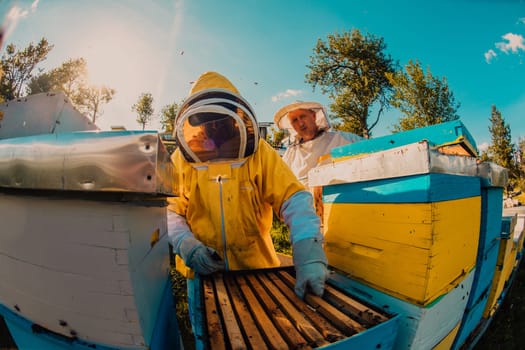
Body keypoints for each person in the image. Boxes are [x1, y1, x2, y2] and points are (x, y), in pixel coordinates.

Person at [167, 71, 328, 348]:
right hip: (202, 274)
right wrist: (187, 245)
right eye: (206, 123)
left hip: (257, 270)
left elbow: (293, 199)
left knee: (265, 335)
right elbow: (170, 210)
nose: (214, 129)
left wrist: (309, 251)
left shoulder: (260, 153)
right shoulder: (182, 160)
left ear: (236, 116)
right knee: (208, 338)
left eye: (220, 122)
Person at [273, 102, 362, 188]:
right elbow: (278, 183)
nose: (300, 123)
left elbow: (371, 149)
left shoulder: (341, 139)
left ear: (314, 116)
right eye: (295, 120)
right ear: (292, 126)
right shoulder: (290, 154)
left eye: (303, 116)